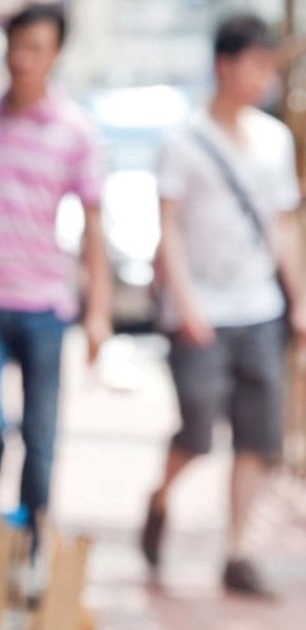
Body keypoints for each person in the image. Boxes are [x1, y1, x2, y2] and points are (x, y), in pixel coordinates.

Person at [141, 12, 305, 597]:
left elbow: (282, 225)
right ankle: (159, 499)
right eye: (255, 65)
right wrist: (186, 304)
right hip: (198, 313)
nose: (264, 78)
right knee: (197, 431)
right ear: (224, 65)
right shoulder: (182, 140)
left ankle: (238, 552)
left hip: (259, 307)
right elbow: (169, 227)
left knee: (258, 437)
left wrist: (299, 300)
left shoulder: (274, 139)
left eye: (269, 67)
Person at [0, 2, 111, 541]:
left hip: (45, 306)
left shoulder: (75, 131)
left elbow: (93, 228)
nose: (23, 59)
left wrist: (98, 313)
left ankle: (31, 546)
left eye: (36, 49)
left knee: (42, 434)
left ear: (55, 55)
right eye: (17, 46)